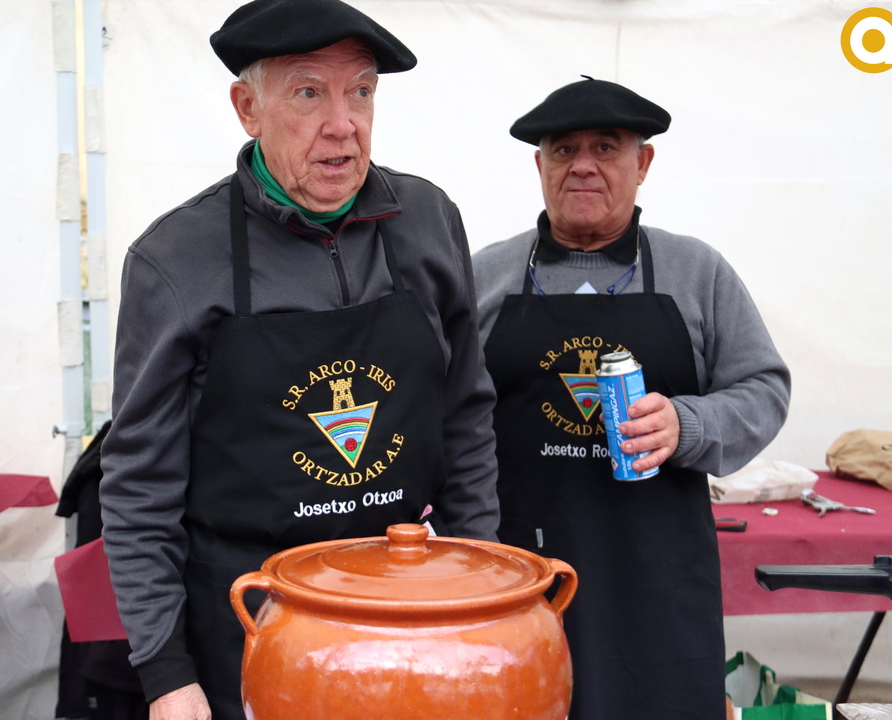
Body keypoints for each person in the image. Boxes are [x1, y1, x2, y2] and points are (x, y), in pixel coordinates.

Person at [98, 1, 500, 719]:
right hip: (253, 628)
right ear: (247, 109)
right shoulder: (176, 259)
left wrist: (477, 592)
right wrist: (165, 673)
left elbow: (466, 418)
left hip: (409, 616)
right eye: (309, 92)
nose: (342, 124)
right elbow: (140, 486)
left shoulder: (429, 221)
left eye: (361, 92)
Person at [472, 77, 791, 720]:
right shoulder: (485, 275)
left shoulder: (697, 271)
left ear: (643, 163)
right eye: (564, 150)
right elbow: (444, 412)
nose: (583, 165)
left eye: (606, 147)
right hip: (519, 570)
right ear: (539, 166)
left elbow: (765, 388)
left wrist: (688, 423)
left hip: (656, 575)